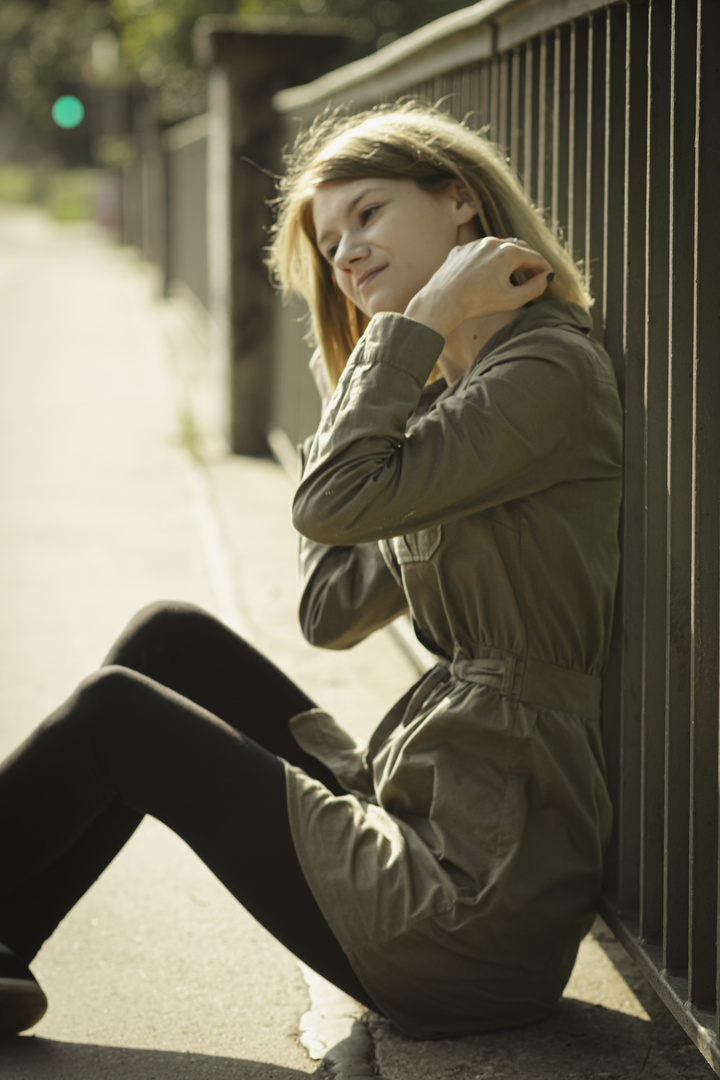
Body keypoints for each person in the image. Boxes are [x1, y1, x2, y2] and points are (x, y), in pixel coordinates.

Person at [0, 102, 622, 1041]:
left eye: (367, 215)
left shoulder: (543, 374)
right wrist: (386, 379)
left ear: (459, 203)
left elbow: (327, 507)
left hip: (470, 900)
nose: (347, 254)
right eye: (331, 245)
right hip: (430, 804)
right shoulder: (449, 398)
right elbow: (329, 608)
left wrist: (413, 331)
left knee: (119, 717)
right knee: (172, 638)